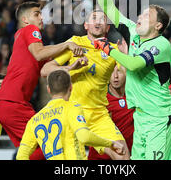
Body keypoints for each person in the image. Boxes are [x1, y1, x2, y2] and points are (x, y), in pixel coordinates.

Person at [87, 0, 171, 160]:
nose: (139, 17)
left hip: (159, 118)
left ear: (158, 26)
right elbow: (110, 10)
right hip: (140, 116)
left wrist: (109, 49)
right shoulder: (133, 32)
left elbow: (135, 64)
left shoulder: (161, 45)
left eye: (147, 16)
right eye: (141, 13)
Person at [0, 2, 84, 159]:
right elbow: (40, 54)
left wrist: (70, 68)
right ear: (25, 19)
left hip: (9, 104)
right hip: (13, 103)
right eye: (37, 14)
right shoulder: (30, 30)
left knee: (33, 149)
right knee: (49, 144)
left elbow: (45, 71)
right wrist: (67, 44)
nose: (42, 17)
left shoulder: (26, 41)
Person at [40, 10, 129, 160]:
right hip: (73, 111)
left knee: (123, 154)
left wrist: (125, 56)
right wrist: (70, 68)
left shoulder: (114, 49)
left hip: (98, 115)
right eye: (94, 18)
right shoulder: (75, 43)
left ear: (107, 28)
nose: (98, 22)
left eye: (102, 19)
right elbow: (45, 70)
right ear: (86, 25)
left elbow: (127, 78)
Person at [16, 70, 126, 160]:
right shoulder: (72, 107)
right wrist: (110, 143)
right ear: (71, 88)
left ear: (48, 89)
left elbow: (21, 155)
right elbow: (84, 136)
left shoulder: (34, 120)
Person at [88, 64, 135, 160]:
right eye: (111, 72)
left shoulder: (134, 96)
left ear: (126, 73)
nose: (115, 76)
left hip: (126, 155)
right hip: (100, 157)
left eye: (119, 71)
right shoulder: (100, 99)